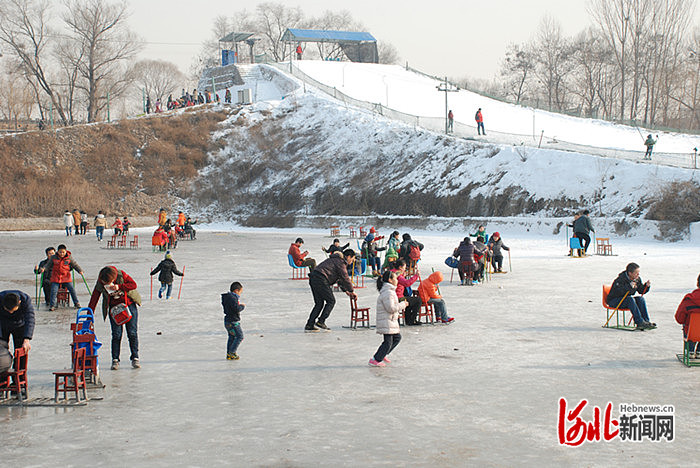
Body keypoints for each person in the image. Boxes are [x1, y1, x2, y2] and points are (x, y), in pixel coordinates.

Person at [88, 266, 141, 369]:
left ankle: (135, 357)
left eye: (109, 282)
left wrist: (119, 287)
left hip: (128, 306)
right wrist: (89, 313)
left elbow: (133, 285)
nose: (107, 284)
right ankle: (115, 360)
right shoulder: (101, 281)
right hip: (114, 309)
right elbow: (95, 296)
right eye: (105, 283)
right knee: (116, 334)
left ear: (113, 278)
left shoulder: (121, 275)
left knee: (132, 333)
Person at [305, 249, 357, 332]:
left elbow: (339, 278)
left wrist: (345, 290)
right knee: (331, 301)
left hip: (314, 278)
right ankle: (321, 321)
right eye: (353, 259)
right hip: (321, 279)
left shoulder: (334, 260)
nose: (352, 261)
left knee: (319, 303)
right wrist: (351, 290)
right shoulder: (340, 262)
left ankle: (310, 324)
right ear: (348, 257)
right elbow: (345, 277)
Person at [369, 270, 407, 367]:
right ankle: (376, 359)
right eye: (395, 278)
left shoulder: (390, 291)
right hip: (387, 320)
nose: (397, 280)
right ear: (390, 280)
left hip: (390, 320)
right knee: (388, 342)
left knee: (397, 338)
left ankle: (383, 354)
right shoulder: (388, 292)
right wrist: (403, 304)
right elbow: (391, 308)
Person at [607, 262, 654, 331]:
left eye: (638, 273)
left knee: (640, 299)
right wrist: (629, 286)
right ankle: (640, 322)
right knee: (630, 299)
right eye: (636, 273)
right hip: (614, 301)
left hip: (626, 300)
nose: (638, 275)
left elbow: (641, 290)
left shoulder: (637, 279)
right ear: (630, 273)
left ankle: (646, 321)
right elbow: (617, 292)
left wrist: (646, 286)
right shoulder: (620, 279)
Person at [44, 245, 83, 311]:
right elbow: (47, 265)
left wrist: (80, 270)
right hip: (56, 277)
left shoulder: (69, 257)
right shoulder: (54, 257)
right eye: (60, 252)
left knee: (72, 289)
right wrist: (43, 269)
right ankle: (52, 305)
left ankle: (76, 303)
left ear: (65, 251)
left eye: (63, 252)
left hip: (66, 277)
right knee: (54, 291)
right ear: (58, 252)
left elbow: (74, 265)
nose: (62, 254)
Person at [675, 274, 700, 356]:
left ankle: (690, 350)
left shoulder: (689, 299)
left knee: (688, 325)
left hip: (691, 332)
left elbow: (679, 318)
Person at [391, 259, 421, 326]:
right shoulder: (397, 275)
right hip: (397, 297)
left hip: (394, 296)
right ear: (400, 267)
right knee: (418, 300)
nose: (405, 268)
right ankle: (412, 319)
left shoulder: (392, 272)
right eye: (404, 267)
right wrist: (416, 276)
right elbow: (407, 283)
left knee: (409, 300)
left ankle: (409, 320)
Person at [222, 281, 245, 360]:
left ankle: (229, 353)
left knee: (231, 337)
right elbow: (236, 309)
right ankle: (232, 352)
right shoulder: (232, 298)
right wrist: (242, 306)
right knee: (240, 336)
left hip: (227, 321)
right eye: (240, 292)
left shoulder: (228, 298)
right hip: (233, 322)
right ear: (236, 291)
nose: (240, 294)